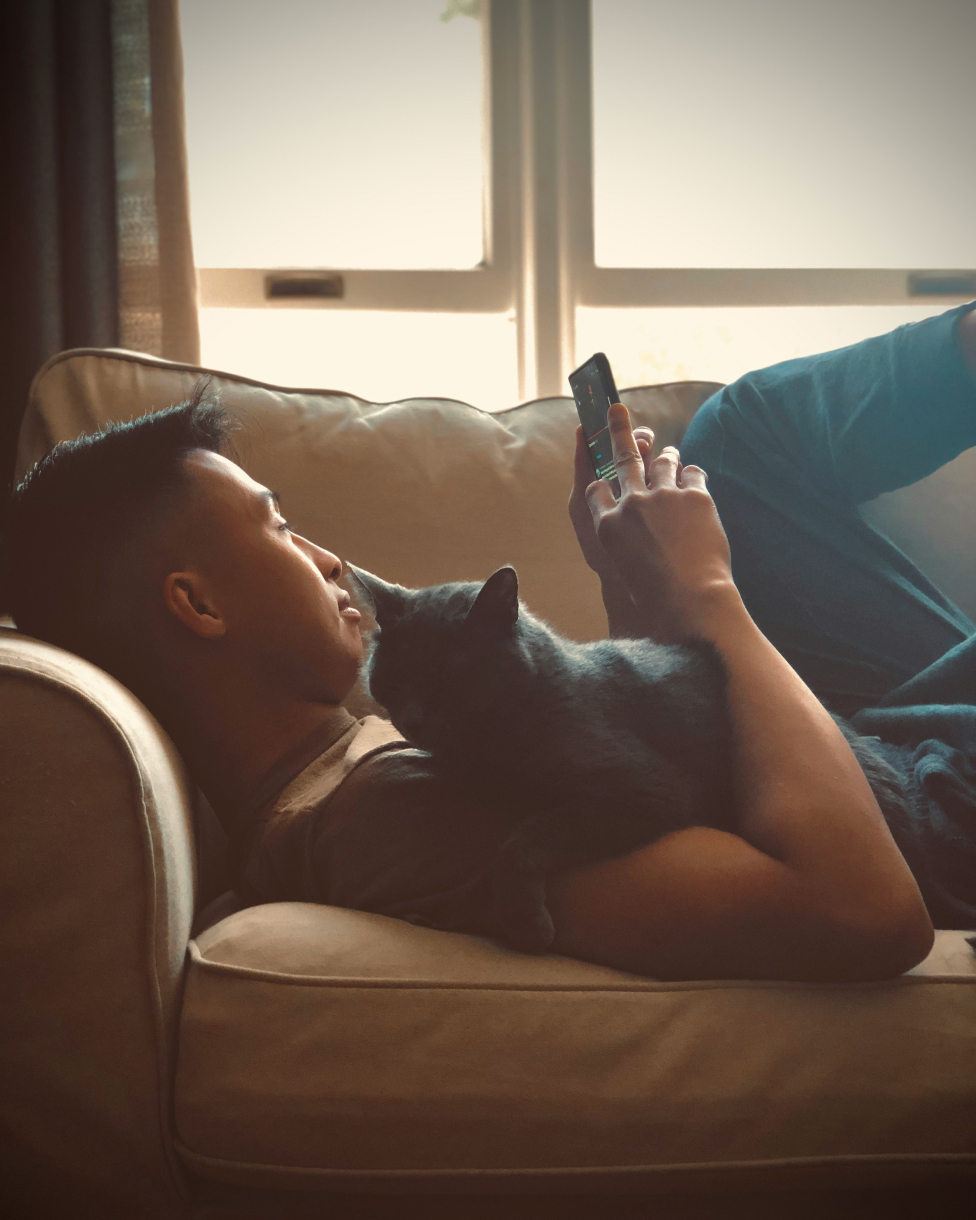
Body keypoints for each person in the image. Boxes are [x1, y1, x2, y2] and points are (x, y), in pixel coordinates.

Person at [4, 305, 975, 984]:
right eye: (279, 526)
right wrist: (706, 592)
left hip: (873, 747)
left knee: (738, 437)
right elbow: (863, 910)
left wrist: (633, 586)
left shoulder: (348, 773)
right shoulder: (383, 814)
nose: (326, 557)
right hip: (933, 805)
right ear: (197, 604)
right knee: (746, 437)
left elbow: (642, 762)